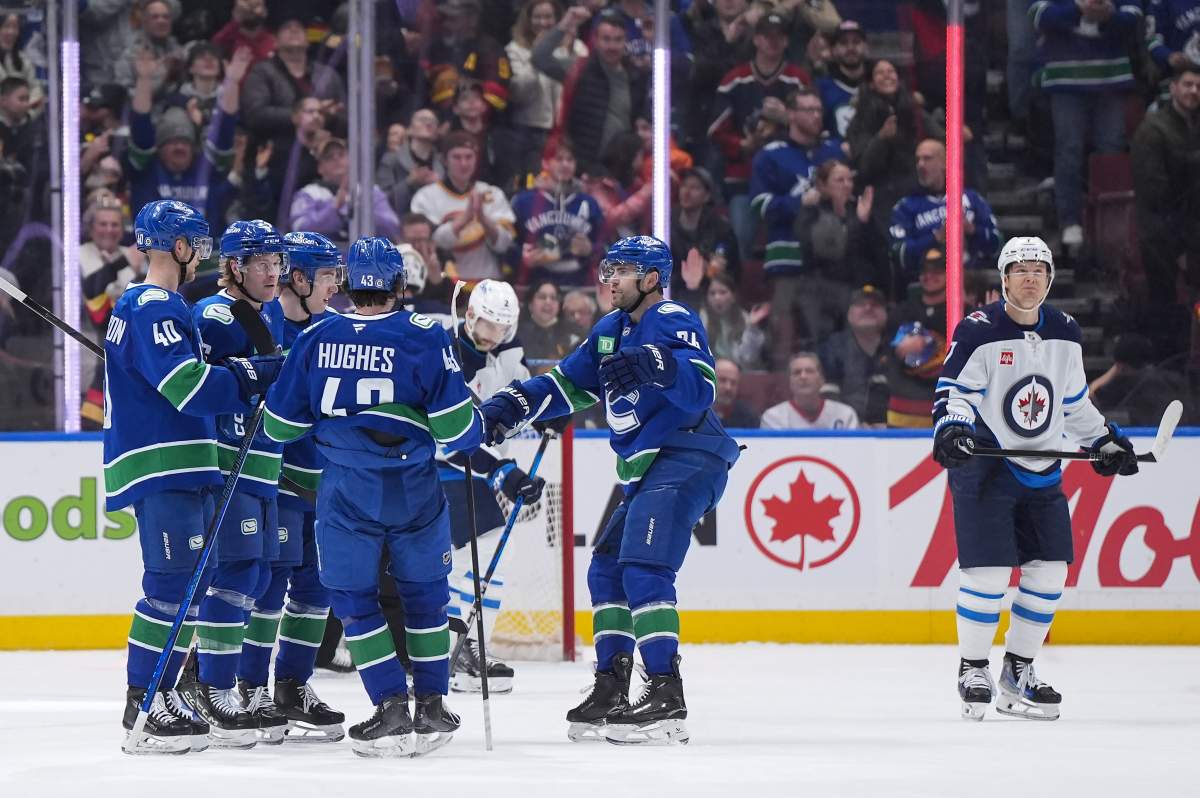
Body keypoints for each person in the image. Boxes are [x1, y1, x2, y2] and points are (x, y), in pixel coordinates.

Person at [479, 235, 740, 745]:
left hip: (687, 454)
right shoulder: (609, 331)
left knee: (643, 566)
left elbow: (702, 387)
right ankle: (611, 687)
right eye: (609, 268)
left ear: (649, 279)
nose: (610, 279)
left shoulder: (673, 319)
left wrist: (654, 364)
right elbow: (564, 387)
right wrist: (512, 405)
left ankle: (667, 692)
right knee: (607, 567)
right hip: (653, 465)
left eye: (621, 271)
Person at [263, 237, 483, 758]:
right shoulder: (426, 336)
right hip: (415, 490)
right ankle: (431, 704)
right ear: (399, 285)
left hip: (345, 492)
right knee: (427, 597)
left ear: (349, 284)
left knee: (356, 604)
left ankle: (389, 706)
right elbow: (458, 430)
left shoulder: (317, 336)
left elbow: (277, 425)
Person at [932, 236, 1141, 722]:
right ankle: (974, 667)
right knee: (985, 574)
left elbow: (1071, 403)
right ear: (1003, 279)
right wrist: (952, 427)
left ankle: (1018, 671)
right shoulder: (978, 329)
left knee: (1049, 572)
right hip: (985, 463)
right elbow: (955, 391)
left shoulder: (1066, 331)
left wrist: (1105, 440)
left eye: (1039, 270)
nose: (1030, 278)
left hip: (1042, 469)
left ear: (1049, 279)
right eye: (1020, 269)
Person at [108, 199, 281, 754]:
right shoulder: (151, 305)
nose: (202, 254)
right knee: (168, 585)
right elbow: (189, 388)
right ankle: (143, 701)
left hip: (187, 463)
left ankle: (166, 691)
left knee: (190, 585)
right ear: (178, 247)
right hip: (165, 462)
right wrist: (258, 372)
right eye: (196, 243)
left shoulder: (160, 307)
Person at [234, 230, 348, 744]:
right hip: (273, 477)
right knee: (268, 587)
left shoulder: (336, 331)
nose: (335, 286)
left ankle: (292, 685)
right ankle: (251, 687)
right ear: (298, 278)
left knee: (315, 588)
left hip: (324, 482)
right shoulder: (263, 323)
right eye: (326, 276)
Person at [182, 220, 289, 748]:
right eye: (263, 263)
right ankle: (214, 686)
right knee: (237, 572)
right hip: (230, 460)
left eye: (276, 263)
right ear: (233, 266)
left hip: (265, 461)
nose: (274, 272)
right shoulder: (213, 316)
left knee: (261, 575)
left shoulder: (271, 313)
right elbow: (207, 390)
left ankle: (227, 680)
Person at [433, 279, 546, 694]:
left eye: (498, 328)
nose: (489, 334)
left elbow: (518, 401)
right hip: (442, 470)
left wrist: (547, 413)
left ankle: (461, 646)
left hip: (467, 470)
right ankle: (454, 648)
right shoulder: (450, 356)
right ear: (469, 316)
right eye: (484, 324)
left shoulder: (499, 360)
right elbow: (452, 438)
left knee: (490, 551)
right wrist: (502, 472)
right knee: (477, 555)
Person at [1030, 0, 1143, 250]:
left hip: (1111, 78)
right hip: (1065, 77)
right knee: (1069, 149)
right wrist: (1078, 8)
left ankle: (1110, 221)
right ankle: (1070, 220)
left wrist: (1109, 15)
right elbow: (1038, 15)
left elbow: (1134, 15)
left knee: (1111, 150)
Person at [748, 87, 845, 367]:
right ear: (791, 114)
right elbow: (759, 205)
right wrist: (799, 202)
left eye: (819, 110)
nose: (816, 116)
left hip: (830, 257)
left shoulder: (833, 152)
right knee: (784, 326)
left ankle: (828, 383)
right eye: (809, 110)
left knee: (826, 326)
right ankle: (780, 383)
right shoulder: (771, 155)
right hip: (787, 255)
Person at [1130, 64, 1200, 360]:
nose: (1194, 91)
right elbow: (1154, 191)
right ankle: (1167, 361)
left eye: (1198, 86)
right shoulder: (1153, 129)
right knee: (1165, 301)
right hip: (1161, 233)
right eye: (1187, 84)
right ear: (1173, 88)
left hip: (1192, 230)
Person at [411, 131, 516, 281]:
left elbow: (504, 244)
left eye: (469, 157)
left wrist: (483, 219)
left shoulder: (491, 193)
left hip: (488, 284)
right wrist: (466, 218)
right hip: (444, 285)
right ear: (444, 160)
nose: (464, 164)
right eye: (457, 157)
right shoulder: (426, 197)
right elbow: (436, 243)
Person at [890, 139, 1000, 281]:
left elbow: (996, 245)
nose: (920, 165)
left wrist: (971, 230)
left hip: (969, 281)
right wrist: (937, 237)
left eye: (927, 158)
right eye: (918, 160)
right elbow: (900, 255)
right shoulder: (905, 207)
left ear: (945, 162)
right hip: (925, 282)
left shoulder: (972, 199)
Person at [81, 198, 145, 429]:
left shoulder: (131, 257)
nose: (109, 229)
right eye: (103, 224)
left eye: (115, 224)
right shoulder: (77, 255)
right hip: (85, 350)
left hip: (122, 357)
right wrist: (122, 263)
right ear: (90, 228)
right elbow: (92, 289)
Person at [510, 137, 604, 287]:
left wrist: (590, 249)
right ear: (545, 163)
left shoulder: (589, 203)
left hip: (579, 285)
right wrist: (523, 259)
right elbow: (507, 247)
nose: (565, 164)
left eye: (570, 159)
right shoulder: (523, 201)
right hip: (534, 285)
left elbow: (605, 247)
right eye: (559, 159)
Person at [289, 137, 401, 243]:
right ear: (320, 168)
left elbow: (392, 227)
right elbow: (300, 232)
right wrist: (335, 208)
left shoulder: (370, 192)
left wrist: (359, 210)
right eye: (329, 157)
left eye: (341, 155)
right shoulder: (308, 194)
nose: (336, 159)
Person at [818, 286, 890, 426]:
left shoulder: (897, 346)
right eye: (860, 304)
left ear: (885, 313)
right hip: (845, 430)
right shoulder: (832, 347)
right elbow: (828, 397)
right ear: (849, 314)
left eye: (875, 305)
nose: (868, 308)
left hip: (892, 432)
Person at [760, 352, 860, 429]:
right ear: (789, 382)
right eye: (796, 372)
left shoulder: (845, 415)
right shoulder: (773, 417)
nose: (803, 376)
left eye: (810, 371)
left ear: (822, 380)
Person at [816, 20, 868, 137]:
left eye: (856, 42)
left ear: (865, 47)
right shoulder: (821, 88)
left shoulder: (876, 84)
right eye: (843, 43)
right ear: (833, 50)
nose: (850, 48)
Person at [519, 278, 581, 375]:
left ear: (559, 305)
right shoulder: (517, 334)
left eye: (553, 297)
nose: (548, 302)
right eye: (542, 297)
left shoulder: (574, 334)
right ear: (530, 304)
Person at [713, 357, 759, 428]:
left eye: (733, 383)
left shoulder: (747, 416)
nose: (728, 387)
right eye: (722, 380)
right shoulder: (693, 412)